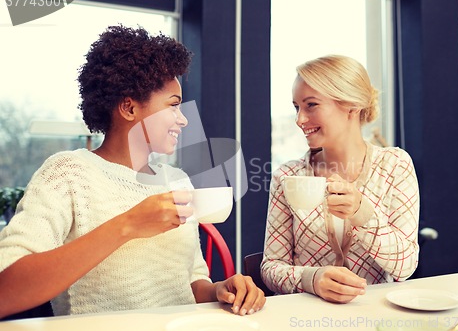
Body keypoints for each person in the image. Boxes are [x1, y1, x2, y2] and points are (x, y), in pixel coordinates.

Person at [0, 25, 265, 319]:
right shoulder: (69, 173)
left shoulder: (175, 180)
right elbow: (6, 291)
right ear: (128, 107)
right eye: (173, 106)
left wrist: (218, 290)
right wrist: (127, 225)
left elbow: (190, 282)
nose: (183, 119)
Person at [261, 55, 419, 304]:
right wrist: (310, 279)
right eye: (296, 107)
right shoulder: (287, 176)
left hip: (374, 317)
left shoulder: (395, 165)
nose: (299, 120)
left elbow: (406, 266)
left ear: (352, 106)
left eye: (311, 105)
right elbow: (271, 266)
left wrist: (362, 214)